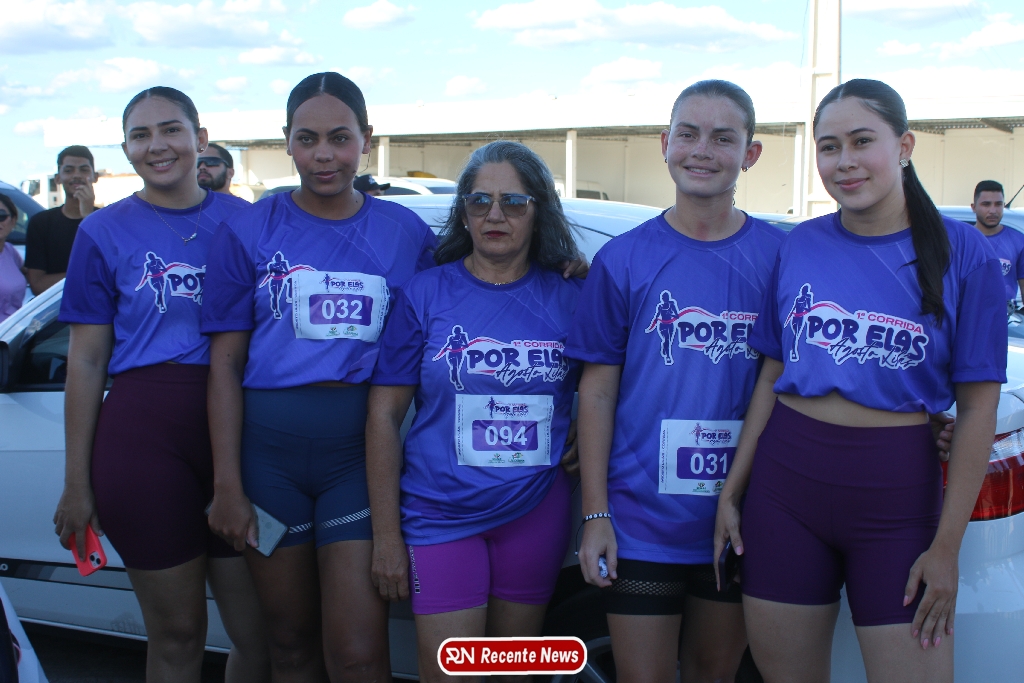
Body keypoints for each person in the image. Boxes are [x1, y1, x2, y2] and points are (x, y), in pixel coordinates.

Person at [715, 79, 1005, 683]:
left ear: (905, 146)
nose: (843, 161)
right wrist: (732, 491)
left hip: (897, 499)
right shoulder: (801, 244)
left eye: (861, 141)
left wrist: (947, 550)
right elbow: (773, 373)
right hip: (785, 490)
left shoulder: (965, 253)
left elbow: (979, 407)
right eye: (829, 147)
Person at [201, 72, 437, 682]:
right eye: (307, 139)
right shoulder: (248, 229)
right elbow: (224, 364)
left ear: (367, 139)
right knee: (288, 644)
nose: (324, 154)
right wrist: (227, 484)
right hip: (267, 462)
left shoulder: (406, 233)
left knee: (358, 653)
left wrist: (564, 267)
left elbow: (480, 288)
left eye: (339, 137)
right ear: (286, 140)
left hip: (358, 460)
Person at [566, 80, 784, 683]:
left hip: (742, 518)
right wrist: (595, 515)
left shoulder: (781, 257)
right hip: (641, 524)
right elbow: (597, 391)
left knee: (714, 673)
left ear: (751, 153)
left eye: (723, 137)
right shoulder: (623, 259)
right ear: (665, 143)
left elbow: (813, 370)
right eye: (688, 134)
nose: (702, 150)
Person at [52, 87, 270, 683]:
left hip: (244, 439)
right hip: (144, 440)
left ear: (201, 138)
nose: (157, 146)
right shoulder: (102, 231)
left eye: (171, 129)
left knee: (263, 637)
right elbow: (86, 361)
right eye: (140, 135)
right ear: (125, 149)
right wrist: (76, 483)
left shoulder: (250, 222)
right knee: (178, 637)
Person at [365, 140, 583, 683]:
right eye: (480, 200)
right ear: (463, 211)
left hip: (534, 510)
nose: (495, 215)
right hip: (440, 513)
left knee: (511, 676)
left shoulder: (573, 295)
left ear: (539, 210)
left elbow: (612, 387)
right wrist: (387, 536)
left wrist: (587, 427)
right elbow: (383, 417)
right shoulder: (424, 294)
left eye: (514, 202)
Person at [24, 145, 97, 295]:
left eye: (84, 170)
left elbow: (114, 273)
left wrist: (88, 217)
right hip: (57, 308)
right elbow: (38, 285)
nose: (77, 175)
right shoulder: (41, 223)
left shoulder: (110, 220)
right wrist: (88, 275)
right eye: (69, 170)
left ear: (95, 177)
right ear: (58, 178)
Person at [970, 180, 1024, 307]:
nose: (993, 210)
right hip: (967, 314)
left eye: (998, 204)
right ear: (973, 207)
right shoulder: (961, 240)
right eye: (986, 204)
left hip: (1004, 316)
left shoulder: (1018, 241)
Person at [0, 194, 28, 323]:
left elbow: (31, 274)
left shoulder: (10, 251)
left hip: (14, 330)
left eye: (2, 216)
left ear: (13, 221)